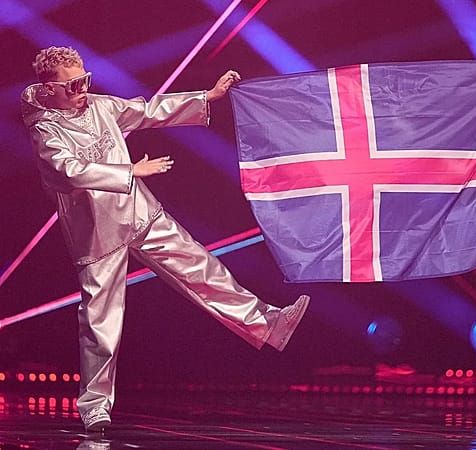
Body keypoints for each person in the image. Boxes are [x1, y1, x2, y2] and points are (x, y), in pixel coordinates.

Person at [21, 46, 311, 433]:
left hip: (139, 212)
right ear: (49, 89)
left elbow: (147, 110)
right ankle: (95, 405)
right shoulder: (45, 129)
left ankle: (269, 323)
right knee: (101, 322)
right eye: (73, 85)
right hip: (97, 233)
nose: (82, 89)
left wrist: (205, 97)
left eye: (85, 80)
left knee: (201, 267)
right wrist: (129, 171)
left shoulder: (100, 105)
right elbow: (67, 170)